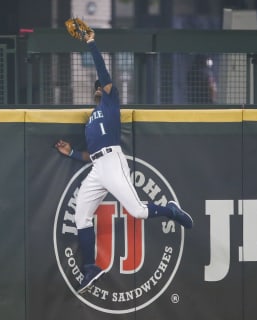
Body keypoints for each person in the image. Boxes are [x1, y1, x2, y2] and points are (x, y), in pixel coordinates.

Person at [54, 29, 193, 295]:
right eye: (97, 87)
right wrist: (71, 153)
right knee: (81, 217)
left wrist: (92, 43)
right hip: (97, 166)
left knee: (138, 211)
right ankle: (91, 267)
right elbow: (90, 156)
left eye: (100, 86)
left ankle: (171, 210)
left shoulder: (109, 102)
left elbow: (104, 74)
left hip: (113, 160)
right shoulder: (90, 121)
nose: (99, 88)